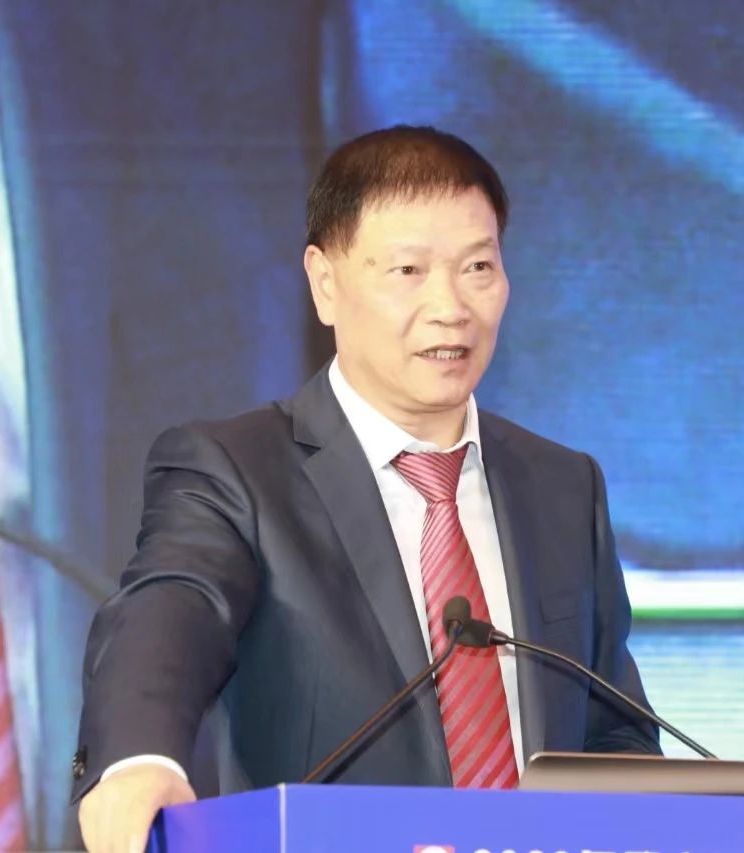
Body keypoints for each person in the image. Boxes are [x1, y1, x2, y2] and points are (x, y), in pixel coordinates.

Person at [74, 125, 661, 852]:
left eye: (478, 267)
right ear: (326, 283)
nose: (451, 306)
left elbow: (614, 736)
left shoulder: (565, 486)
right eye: (409, 270)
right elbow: (169, 609)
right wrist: (138, 759)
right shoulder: (236, 471)